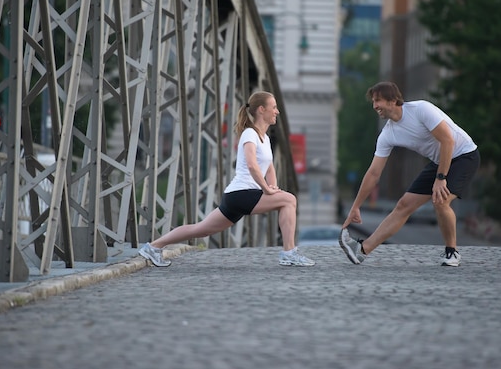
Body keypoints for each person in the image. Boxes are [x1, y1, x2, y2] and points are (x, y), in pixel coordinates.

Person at [138, 91, 315, 267]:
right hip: (242, 194)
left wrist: (273, 186)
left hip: (239, 196)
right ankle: (289, 253)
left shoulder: (265, 138)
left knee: (201, 229)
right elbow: (253, 165)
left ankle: (153, 247)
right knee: (289, 200)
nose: (277, 111)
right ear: (262, 109)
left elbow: (269, 166)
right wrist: (267, 190)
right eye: (274, 107)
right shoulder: (249, 134)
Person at [339, 81, 480, 267]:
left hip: (464, 156)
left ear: (392, 100)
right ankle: (362, 250)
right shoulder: (387, 133)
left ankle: (452, 253)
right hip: (440, 161)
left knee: (441, 200)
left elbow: (447, 140)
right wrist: (356, 206)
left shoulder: (421, 109)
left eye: (378, 101)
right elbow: (373, 173)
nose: (375, 106)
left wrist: (441, 178)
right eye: (373, 102)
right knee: (403, 205)